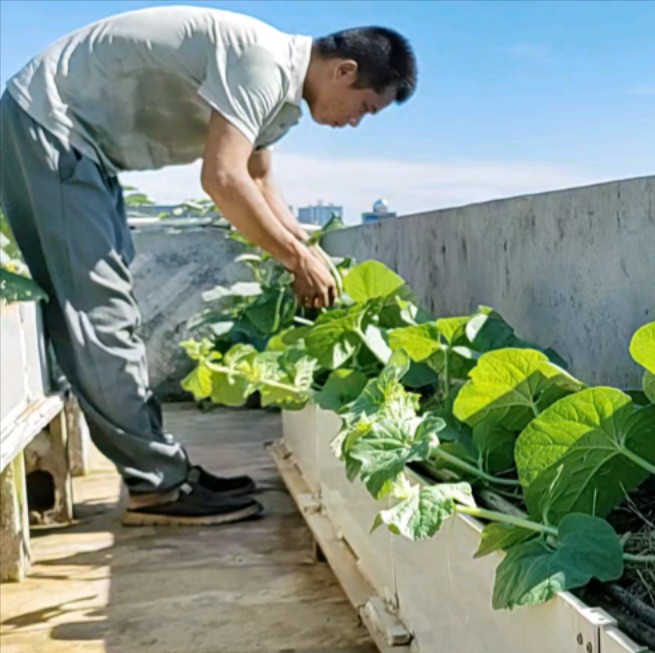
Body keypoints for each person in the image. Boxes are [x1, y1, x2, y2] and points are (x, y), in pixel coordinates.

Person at [0, 6, 417, 526]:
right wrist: (295, 258)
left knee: (111, 308)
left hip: (85, 147)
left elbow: (261, 183)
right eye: (364, 107)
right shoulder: (264, 63)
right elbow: (222, 178)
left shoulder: (283, 98)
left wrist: (308, 252)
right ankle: (157, 485)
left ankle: (162, 470)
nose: (354, 121)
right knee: (97, 314)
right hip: (52, 125)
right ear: (344, 71)